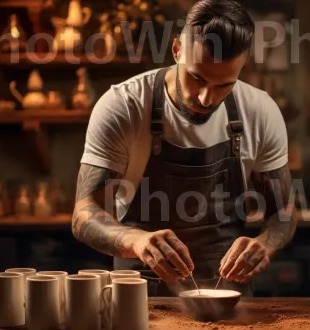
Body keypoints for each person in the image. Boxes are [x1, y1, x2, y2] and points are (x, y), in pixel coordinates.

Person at [71, 0, 296, 296]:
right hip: (138, 293)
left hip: (226, 291)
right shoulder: (123, 106)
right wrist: (136, 240)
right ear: (177, 50)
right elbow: (84, 214)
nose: (205, 99)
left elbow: (285, 212)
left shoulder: (260, 111)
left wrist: (264, 245)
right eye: (197, 78)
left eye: (224, 85)